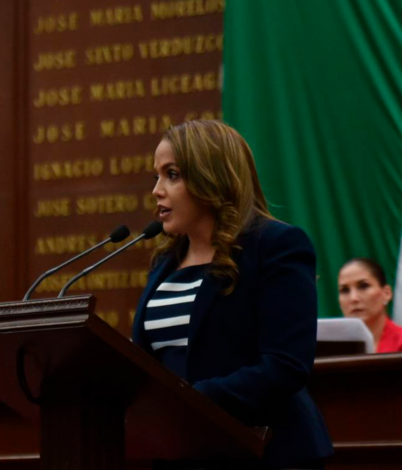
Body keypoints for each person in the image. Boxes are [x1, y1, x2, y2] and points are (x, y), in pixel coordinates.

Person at [131, 120, 333, 469]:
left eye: (172, 175)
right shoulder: (165, 262)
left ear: (211, 178)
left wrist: (191, 400)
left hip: (265, 450)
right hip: (182, 451)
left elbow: (286, 365)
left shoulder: (276, 246)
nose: (157, 190)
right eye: (156, 176)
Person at [338, 258, 402, 353]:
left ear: (386, 293)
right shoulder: (328, 348)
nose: (353, 298)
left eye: (363, 286)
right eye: (345, 290)